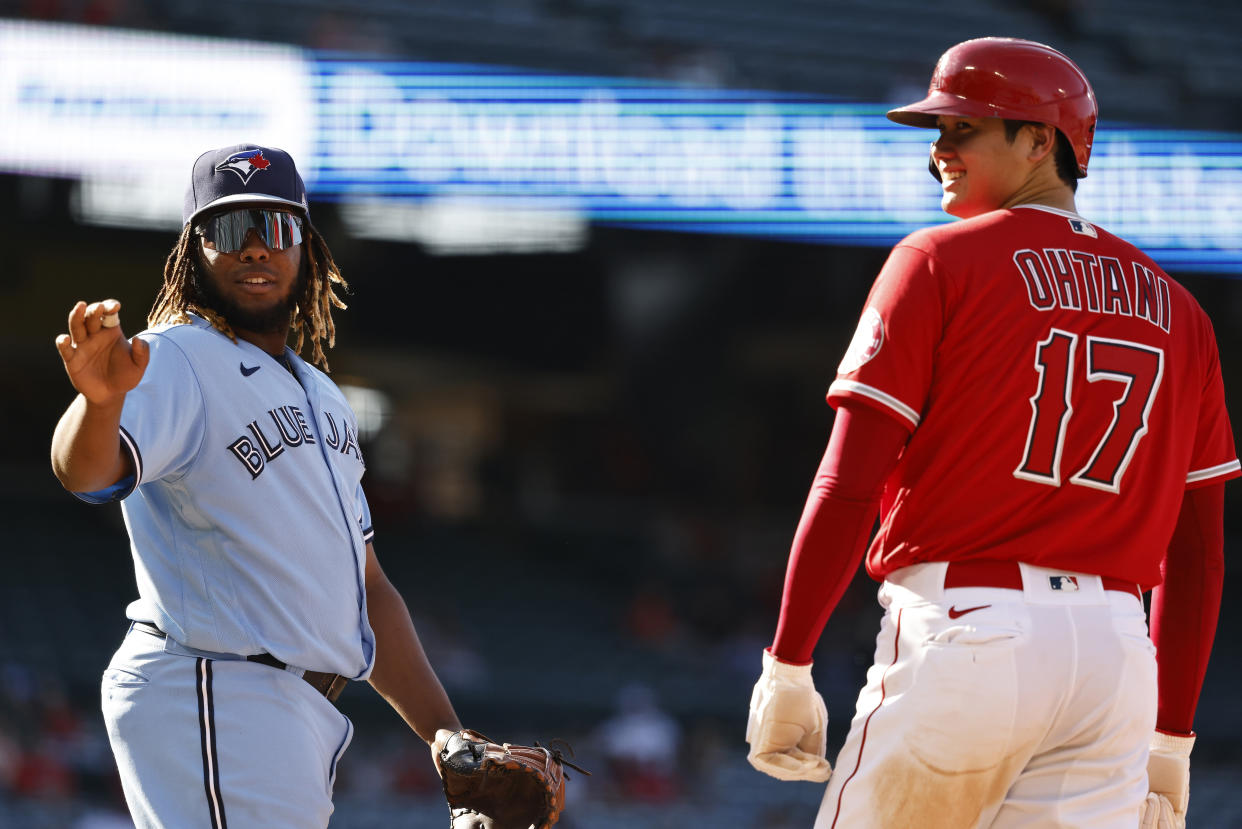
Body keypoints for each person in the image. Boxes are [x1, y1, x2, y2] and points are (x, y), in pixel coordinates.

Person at [745, 38, 1238, 829]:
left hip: (970, 628)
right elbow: (1200, 554)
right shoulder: (1185, 315)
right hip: (1114, 661)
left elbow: (847, 483)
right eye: (938, 130)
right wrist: (1171, 735)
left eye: (965, 128)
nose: (939, 149)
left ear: (1044, 141)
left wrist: (789, 661)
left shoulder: (937, 259)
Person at [51, 144, 464, 827]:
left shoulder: (327, 398)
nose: (254, 250)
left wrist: (446, 734)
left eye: (274, 228)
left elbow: (366, 588)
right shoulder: (177, 355)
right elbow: (84, 473)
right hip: (218, 687)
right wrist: (99, 405)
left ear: (305, 246)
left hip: (289, 711)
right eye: (229, 229)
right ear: (194, 249)